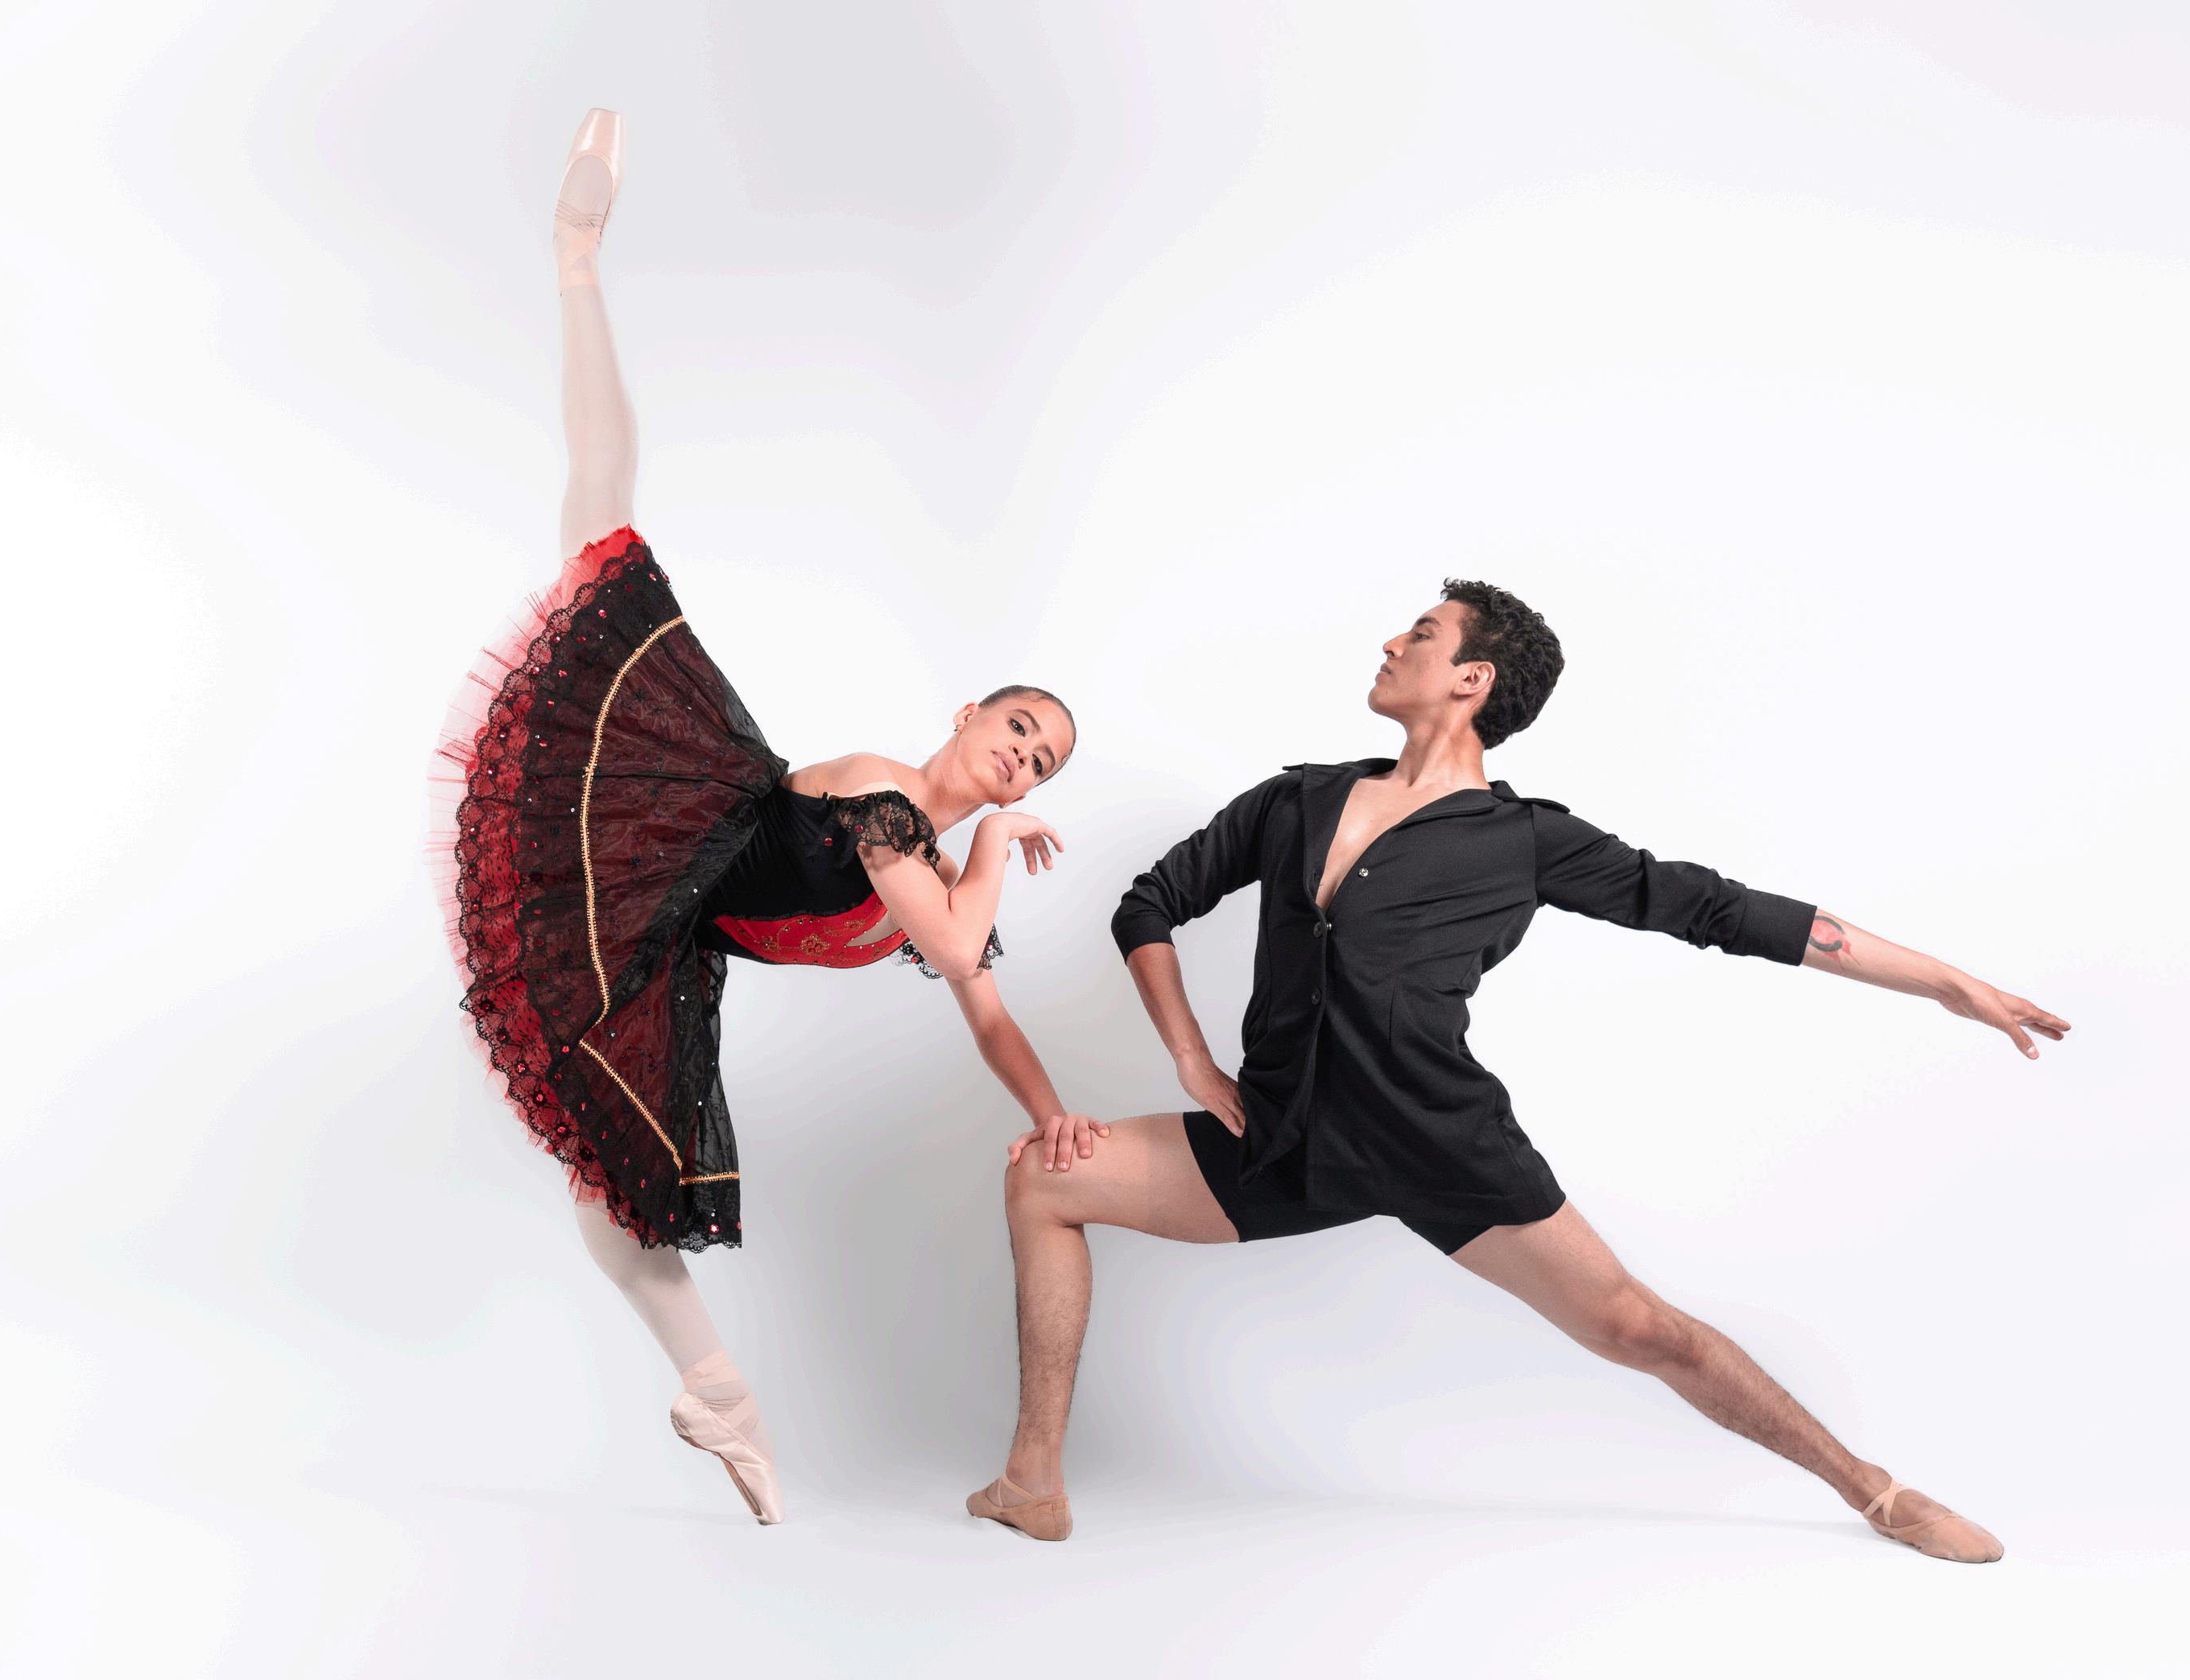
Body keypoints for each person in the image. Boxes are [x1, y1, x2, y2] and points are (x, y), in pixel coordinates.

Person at [967, 580, 2068, 1562]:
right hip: (1281, 1139)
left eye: (1421, 632)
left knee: (1639, 1328)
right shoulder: (1295, 799)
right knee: (1041, 1182)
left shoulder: (1525, 839)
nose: (1391, 641)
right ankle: (1033, 1482)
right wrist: (1193, 1059)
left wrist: (1943, 981)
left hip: (1434, 1138)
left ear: (1472, 678)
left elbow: (1723, 911)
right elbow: (1149, 904)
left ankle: (1873, 1491)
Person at [435, 110, 1095, 1526]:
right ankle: (575, 258)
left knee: (615, 1187)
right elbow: (959, 955)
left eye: (1038, 768)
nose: (1019, 765)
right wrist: (994, 853)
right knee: (602, 535)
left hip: (691, 941)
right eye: (1016, 731)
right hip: (672, 831)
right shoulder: (889, 807)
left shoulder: (928, 850)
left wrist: (1049, 1112)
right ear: (970, 712)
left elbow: (976, 999)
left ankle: (717, 1395)